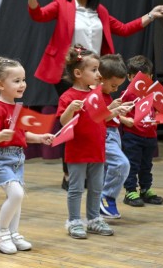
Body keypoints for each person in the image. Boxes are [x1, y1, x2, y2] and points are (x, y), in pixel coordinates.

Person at [20, 0, 163, 188]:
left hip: (96, 74)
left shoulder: (101, 11)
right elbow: (38, 14)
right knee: (72, 120)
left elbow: (125, 29)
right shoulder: (62, 3)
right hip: (68, 74)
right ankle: (70, 173)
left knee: (95, 120)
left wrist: (151, 15)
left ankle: (91, 170)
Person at [0, 57, 54, 254]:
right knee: (16, 194)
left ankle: (13, 232)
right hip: (0, 158)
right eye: (16, 81)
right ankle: (0, 232)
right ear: (0, 84)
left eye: (23, 80)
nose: (22, 84)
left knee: (17, 197)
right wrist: (1, 135)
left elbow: (23, 135)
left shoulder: (17, 108)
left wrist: (40, 138)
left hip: (17, 158)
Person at [57, 45, 112, 239]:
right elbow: (63, 122)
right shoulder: (68, 97)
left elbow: (102, 118)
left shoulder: (97, 94)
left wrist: (116, 111)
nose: (99, 74)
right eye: (94, 70)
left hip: (97, 149)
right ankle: (74, 221)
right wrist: (71, 109)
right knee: (76, 188)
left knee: (97, 187)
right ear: (78, 73)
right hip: (77, 151)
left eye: (98, 69)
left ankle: (93, 219)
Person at [120, 55, 163, 208]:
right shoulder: (126, 94)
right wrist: (126, 120)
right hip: (132, 136)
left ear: (151, 77)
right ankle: (130, 191)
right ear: (129, 77)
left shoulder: (154, 93)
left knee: (147, 165)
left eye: (146, 78)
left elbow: (161, 110)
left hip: (150, 136)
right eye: (138, 78)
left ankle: (145, 189)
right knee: (132, 165)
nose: (142, 82)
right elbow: (116, 112)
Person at [97, 54, 133, 219]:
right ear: (101, 78)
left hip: (113, 134)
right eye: (113, 85)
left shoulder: (106, 94)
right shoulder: (96, 95)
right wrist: (112, 110)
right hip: (105, 135)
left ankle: (101, 200)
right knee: (121, 164)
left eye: (118, 86)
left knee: (109, 168)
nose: (116, 89)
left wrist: (120, 113)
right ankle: (106, 197)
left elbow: (110, 116)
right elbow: (99, 118)